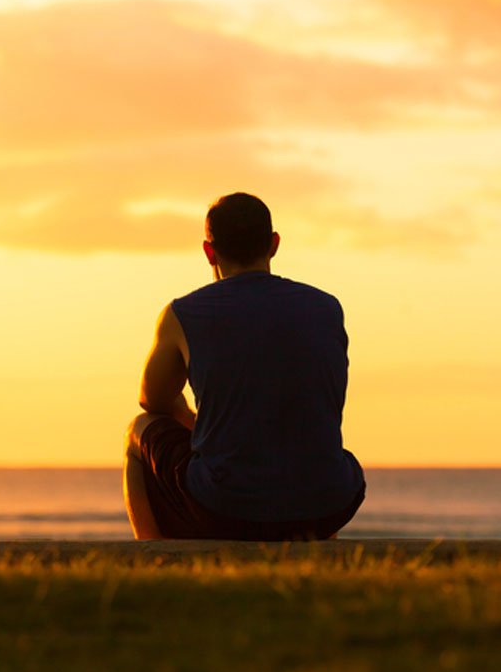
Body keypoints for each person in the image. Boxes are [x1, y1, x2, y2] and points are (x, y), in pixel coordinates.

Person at [123, 192, 365, 540]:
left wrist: (191, 420)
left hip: (227, 509)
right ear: (274, 244)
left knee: (138, 428)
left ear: (209, 252)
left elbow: (152, 401)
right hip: (329, 505)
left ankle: (151, 557)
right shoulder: (327, 308)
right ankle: (314, 553)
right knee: (315, 458)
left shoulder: (183, 313)